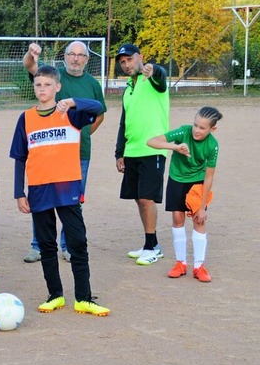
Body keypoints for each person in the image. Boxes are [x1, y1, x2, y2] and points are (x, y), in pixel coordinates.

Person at [10, 65, 110, 317]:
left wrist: (73, 102)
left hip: (68, 187)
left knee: (78, 241)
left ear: (57, 87)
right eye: (37, 85)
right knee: (46, 244)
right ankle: (55, 295)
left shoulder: (72, 113)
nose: (42, 89)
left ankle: (83, 298)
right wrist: (18, 192)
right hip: (39, 189)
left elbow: (98, 107)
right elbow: (20, 157)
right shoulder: (26, 118)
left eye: (47, 85)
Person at [22, 41, 107, 263]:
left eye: (81, 55)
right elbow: (30, 66)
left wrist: (82, 133)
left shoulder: (92, 84)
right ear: (65, 57)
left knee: (72, 203)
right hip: (49, 152)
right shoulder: (54, 77)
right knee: (42, 199)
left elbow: (99, 113)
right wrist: (32, 54)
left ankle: (66, 245)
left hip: (79, 154)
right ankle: (37, 245)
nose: (76, 59)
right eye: (72, 54)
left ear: (87, 60)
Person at [147, 107, 222, 282]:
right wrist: (175, 147)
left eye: (202, 128)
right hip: (177, 179)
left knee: (199, 219)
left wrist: (203, 206)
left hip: (197, 182)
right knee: (178, 219)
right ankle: (180, 263)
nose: (196, 130)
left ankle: (199, 266)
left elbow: (209, 177)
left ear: (212, 129)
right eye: (195, 125)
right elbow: (152, 141)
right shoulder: (183, 131)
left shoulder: (213, 145)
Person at [114, 43, 169, 266]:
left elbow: (161, 76)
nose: (127, 64)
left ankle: (151, 247)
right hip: (132, 150)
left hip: (153, 148)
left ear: (140, 57)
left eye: (130, 59)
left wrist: (153, 69)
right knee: (139, 198)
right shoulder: (128, 88)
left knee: (147, 198)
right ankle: (152, 243)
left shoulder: (153, 81)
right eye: (123, 62)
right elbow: (123, 122)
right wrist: (120, 152)